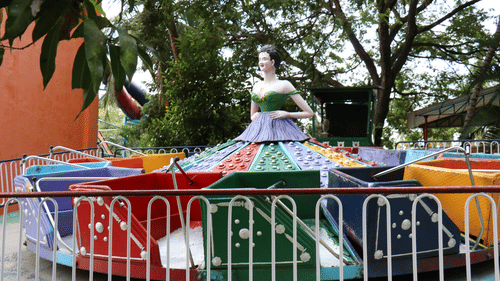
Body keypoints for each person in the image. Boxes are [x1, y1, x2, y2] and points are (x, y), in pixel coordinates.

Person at [234, 45, 314, 143]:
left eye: (264, 59)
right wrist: (255, 116)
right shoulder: (256, 86)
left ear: (272, 62)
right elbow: (252, 115)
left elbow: (309, 113)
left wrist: (287, 114)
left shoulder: (284, 84)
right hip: (258, 129)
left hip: (279, 127)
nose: (261, 62)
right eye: (259, 60)